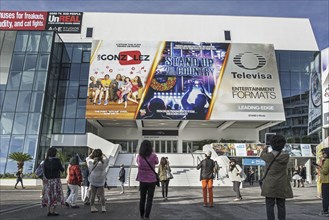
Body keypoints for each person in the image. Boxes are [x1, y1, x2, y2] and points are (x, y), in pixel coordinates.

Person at [260, 135, 293, 220]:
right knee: (281, 205)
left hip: (270, 184)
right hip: (282, 183)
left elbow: (262, 155)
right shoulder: (286, 156)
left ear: (271, 144)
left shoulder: (268, 156)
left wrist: (265, 147)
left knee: (269, 205)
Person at [136, 140, 159, 220]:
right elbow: (157, 162)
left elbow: (137, 163)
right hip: (152, 180)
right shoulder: (153, 156)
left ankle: (142, 215)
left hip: (142, 180)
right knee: (149, 199)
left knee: (142, 198)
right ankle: (147, 216)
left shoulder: (139, 156)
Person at [42, 148, 65, 217]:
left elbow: (42, 171)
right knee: (55, 195)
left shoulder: (45, 161)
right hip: (56, 180)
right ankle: (54, 211)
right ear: (54, 153)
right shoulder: (57, 161)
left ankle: (48, 211)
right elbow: (62, 169)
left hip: (48, 181)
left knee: (48, 195)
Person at [86, 149, 109, 213]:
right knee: (102, 195)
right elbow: (107, 158)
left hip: (93, 180)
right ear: (101, 155)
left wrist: (92, 154)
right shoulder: (103, 162)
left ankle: (92, 207)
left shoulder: (90, 162)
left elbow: (87, 158)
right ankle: (103, 208)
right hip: (101, 180)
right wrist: (103, 154)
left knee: (93, 194)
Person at [318, 148, 329, 217]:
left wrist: (319, 168)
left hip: (326, 181)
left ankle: (325, 211)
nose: (322, 155)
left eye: (323, 153)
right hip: (326, 181)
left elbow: (325, 171)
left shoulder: (327, 161)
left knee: (325, 197)